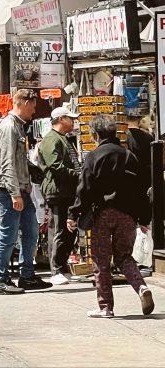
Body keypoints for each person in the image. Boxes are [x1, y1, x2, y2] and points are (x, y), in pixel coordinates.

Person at [68, 115, 155, 318]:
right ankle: (141, 288)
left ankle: (105, 307)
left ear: (95, 135)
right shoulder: (129, 156)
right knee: (124, 256)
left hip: (103, 214)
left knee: (101, 260)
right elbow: (142, 189)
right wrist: (143, 218)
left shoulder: (94, 156)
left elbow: (84, 189)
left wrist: (74, 213)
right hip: (128, 215)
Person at [0, 88, 49, 295]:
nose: (34, 111)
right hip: (10, 190)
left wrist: (33, 171)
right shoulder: (9, 127)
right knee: (8, 234)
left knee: (31, 231)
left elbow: (17, 160)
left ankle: (27, 275)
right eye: (32, 106)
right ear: (23, 103)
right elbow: (7, 163)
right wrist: (15, 193)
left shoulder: (18, 126)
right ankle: (2, 280)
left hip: (20, 188)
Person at [38, 106, 81, 286]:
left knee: (69, 230)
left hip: (67, 190)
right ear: (61, 119)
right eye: (70, 118)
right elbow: (55, 166)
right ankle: (56, 269)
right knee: (59, 230)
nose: (73, 121)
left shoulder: (63, 139)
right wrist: (78, 174)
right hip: (57, 191)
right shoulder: (50, 139)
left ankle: (61, 267)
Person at [126, 114, 153, 200]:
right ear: (139, 119)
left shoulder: (121, 137)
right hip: (145, 183)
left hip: (127, 184)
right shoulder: (149, 137)